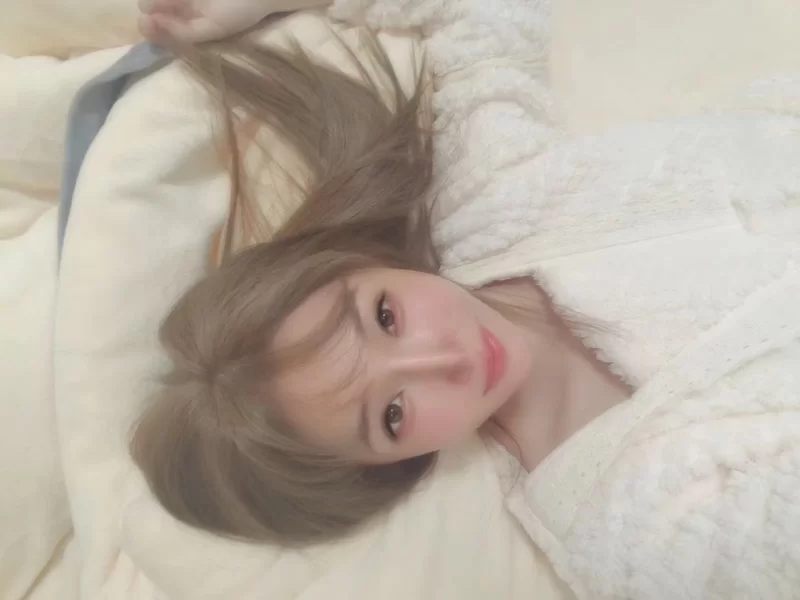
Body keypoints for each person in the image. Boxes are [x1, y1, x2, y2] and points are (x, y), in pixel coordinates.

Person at [134, 1, 800, 598]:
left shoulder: (489, 203)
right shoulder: (634, 527)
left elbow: (480, 13)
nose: (445, 359)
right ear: (379, 469)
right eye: (393, 414)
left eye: (385, 316)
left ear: (360, 262)